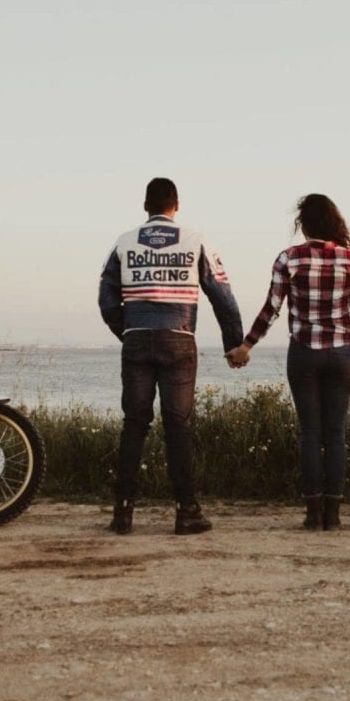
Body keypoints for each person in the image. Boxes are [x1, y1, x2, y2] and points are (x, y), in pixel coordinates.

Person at [98, 178, 244, 535]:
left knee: (134, 424)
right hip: (179, 340)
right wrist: (233, 343)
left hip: (137, 338)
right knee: (177, 426)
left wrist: (128, 331)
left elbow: (106, 299)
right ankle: (186, 511)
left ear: (145, 206)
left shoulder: (123, 242)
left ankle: (123, 513)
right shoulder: (195, 241)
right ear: (176, 205)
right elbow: (222, 296)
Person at [226, 194, 350, 530]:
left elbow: (272, 308)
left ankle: (313, 514)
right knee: (335, 433)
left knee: (310, 433)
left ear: (303, 224)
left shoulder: (289, 259)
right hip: (342, 353)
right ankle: (333, 515)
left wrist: (246, 345)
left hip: (304, 352)